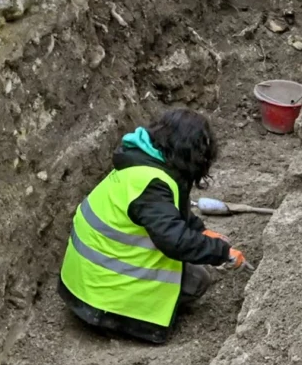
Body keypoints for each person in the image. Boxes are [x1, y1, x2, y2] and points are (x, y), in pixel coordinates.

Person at [58, 108, 248, 344]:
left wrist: (200, 231)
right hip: (101, 299)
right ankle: (128, 321)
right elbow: (174, 240)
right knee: (197, 280)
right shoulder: (152, 186)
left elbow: (171, 211)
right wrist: (221, 252)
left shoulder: (142, 163)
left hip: (85, 282)